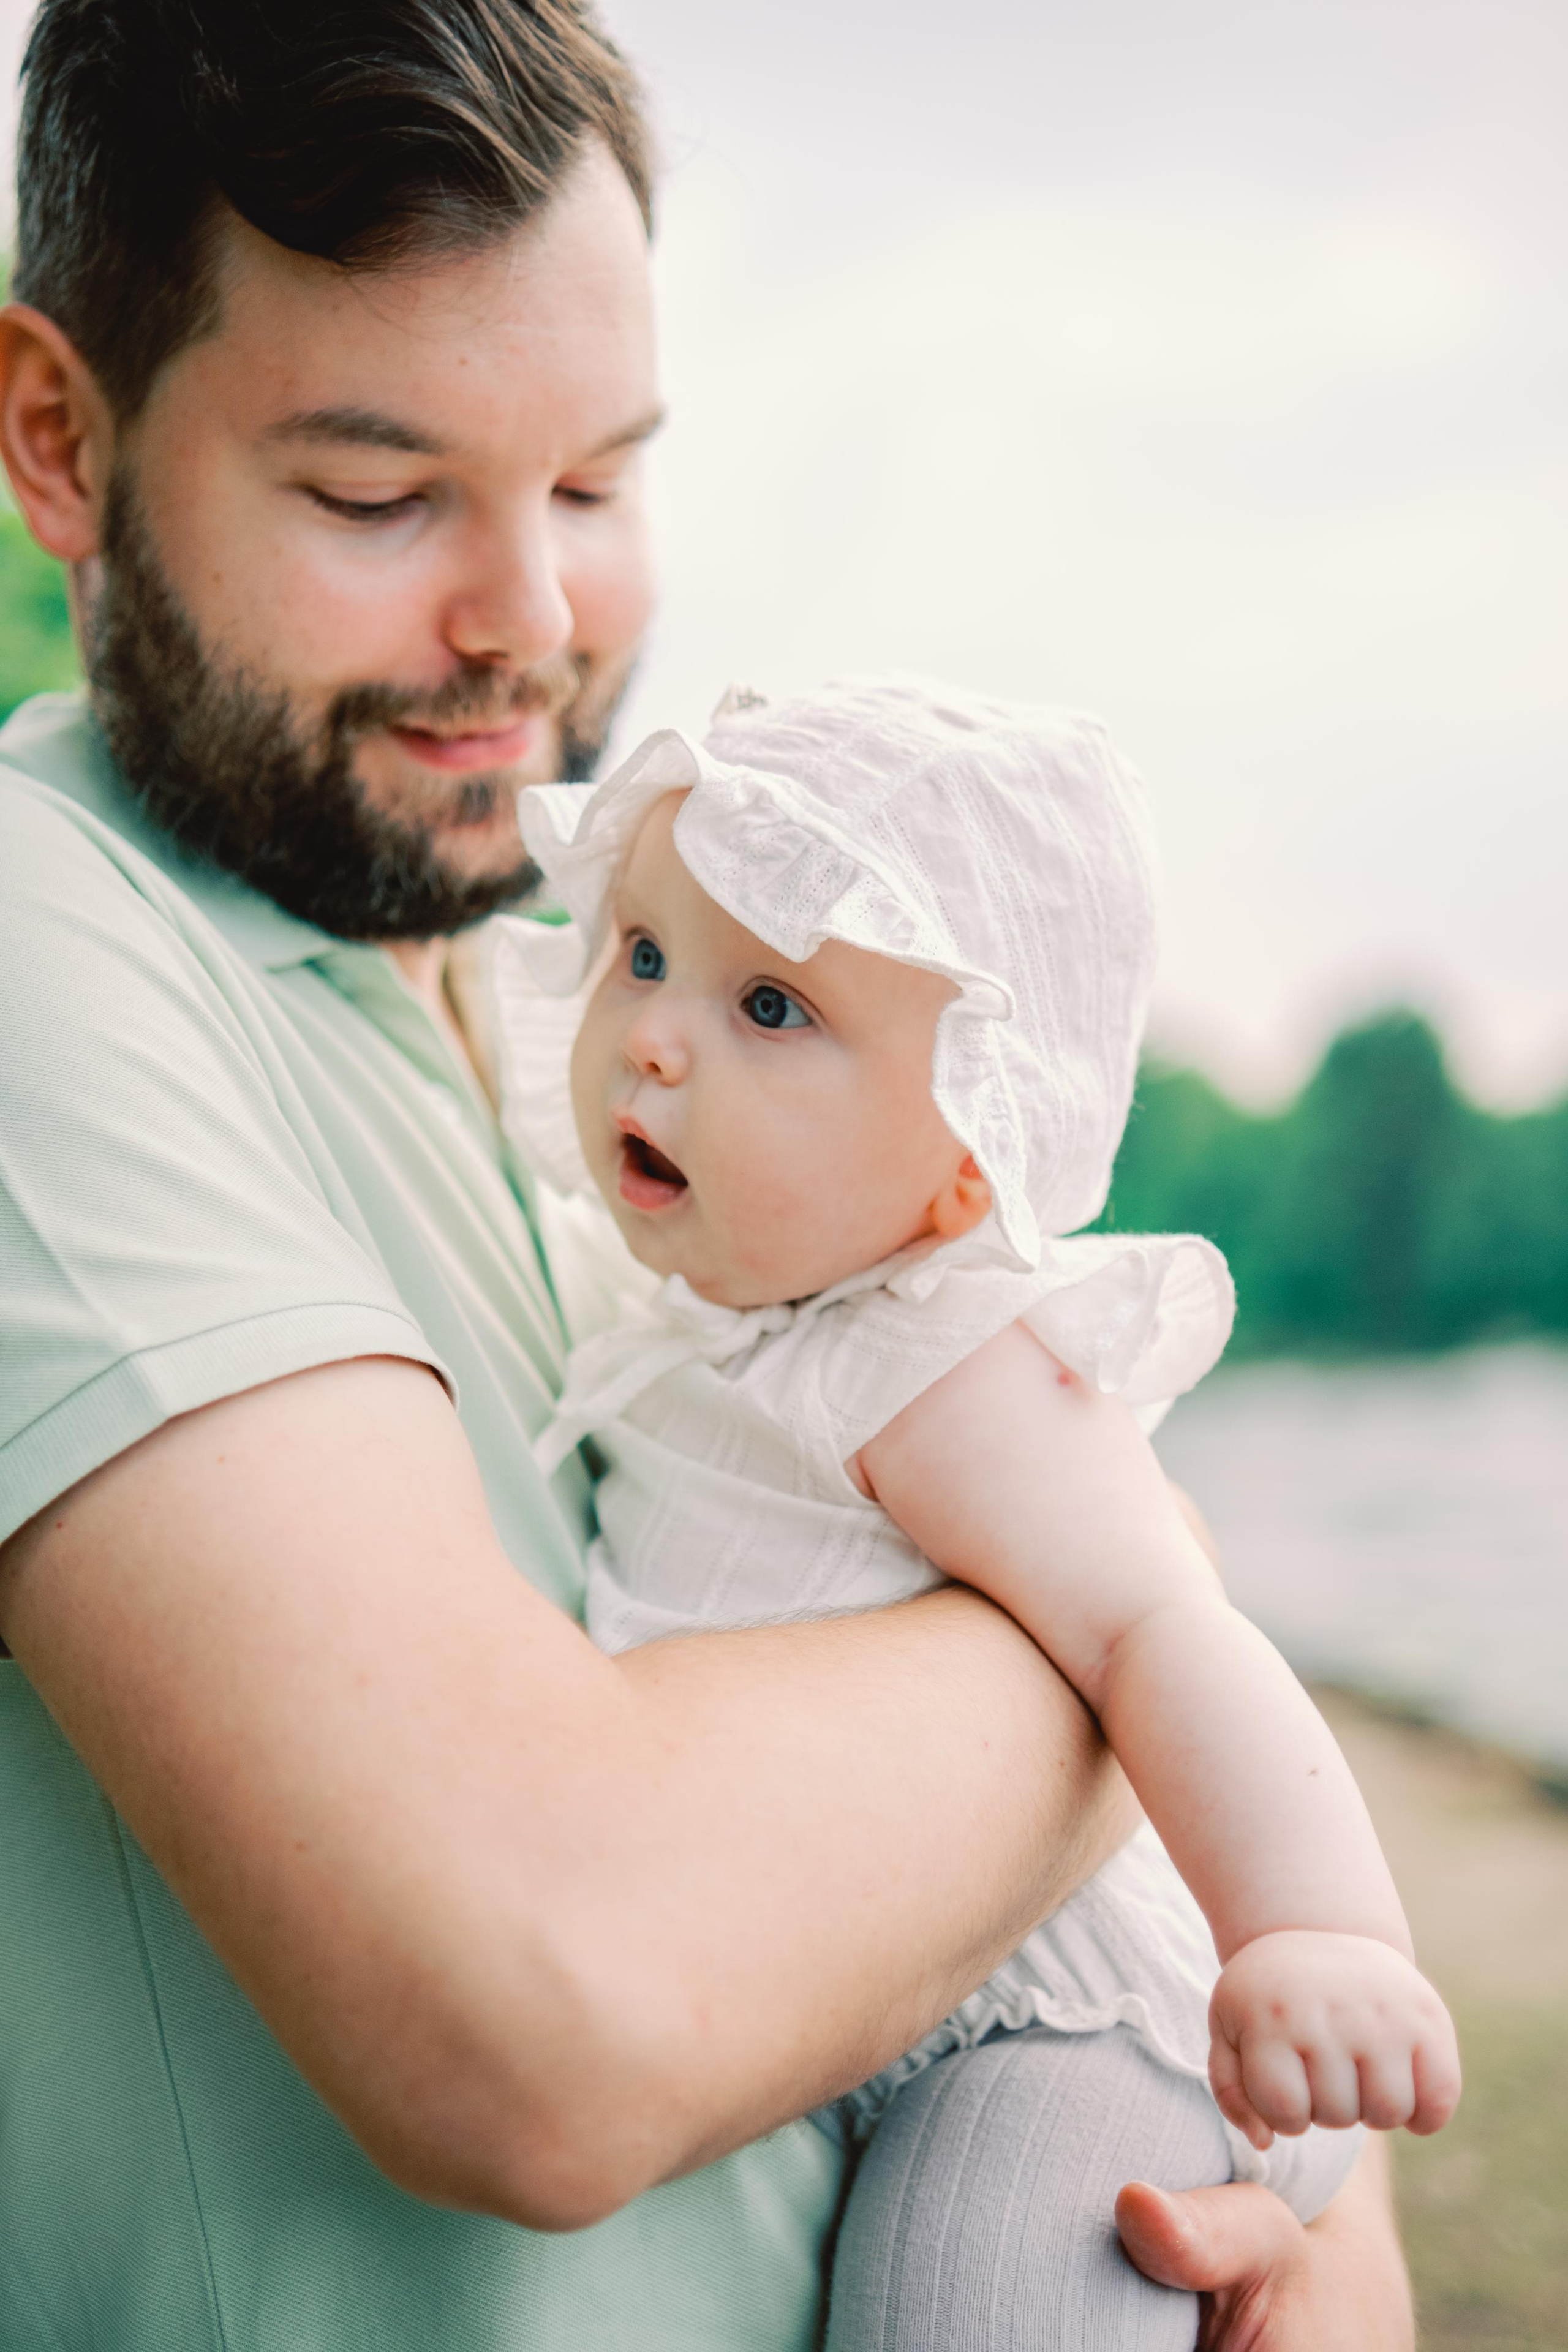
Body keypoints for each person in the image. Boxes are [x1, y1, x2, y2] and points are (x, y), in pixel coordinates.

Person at [0, 4, 1415, 2346]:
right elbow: (549, 2004)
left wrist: (1303, 2236)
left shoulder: (568, 1009)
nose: (535, 626)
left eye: (593, 483)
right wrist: (1124, 1625)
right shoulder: (52, 949)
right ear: (60, 434)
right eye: (379, 496)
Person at [491, 678, 1460, 2345]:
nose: (653, 1031)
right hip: (843, 1977)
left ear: (965, 1165)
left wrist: (1313, 1930)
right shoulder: (682, 1311)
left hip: (1055, 2022)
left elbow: (1161, 1618)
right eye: (644, 953)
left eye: (772, 1007)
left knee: (962, 2298)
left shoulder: (937, 1360)